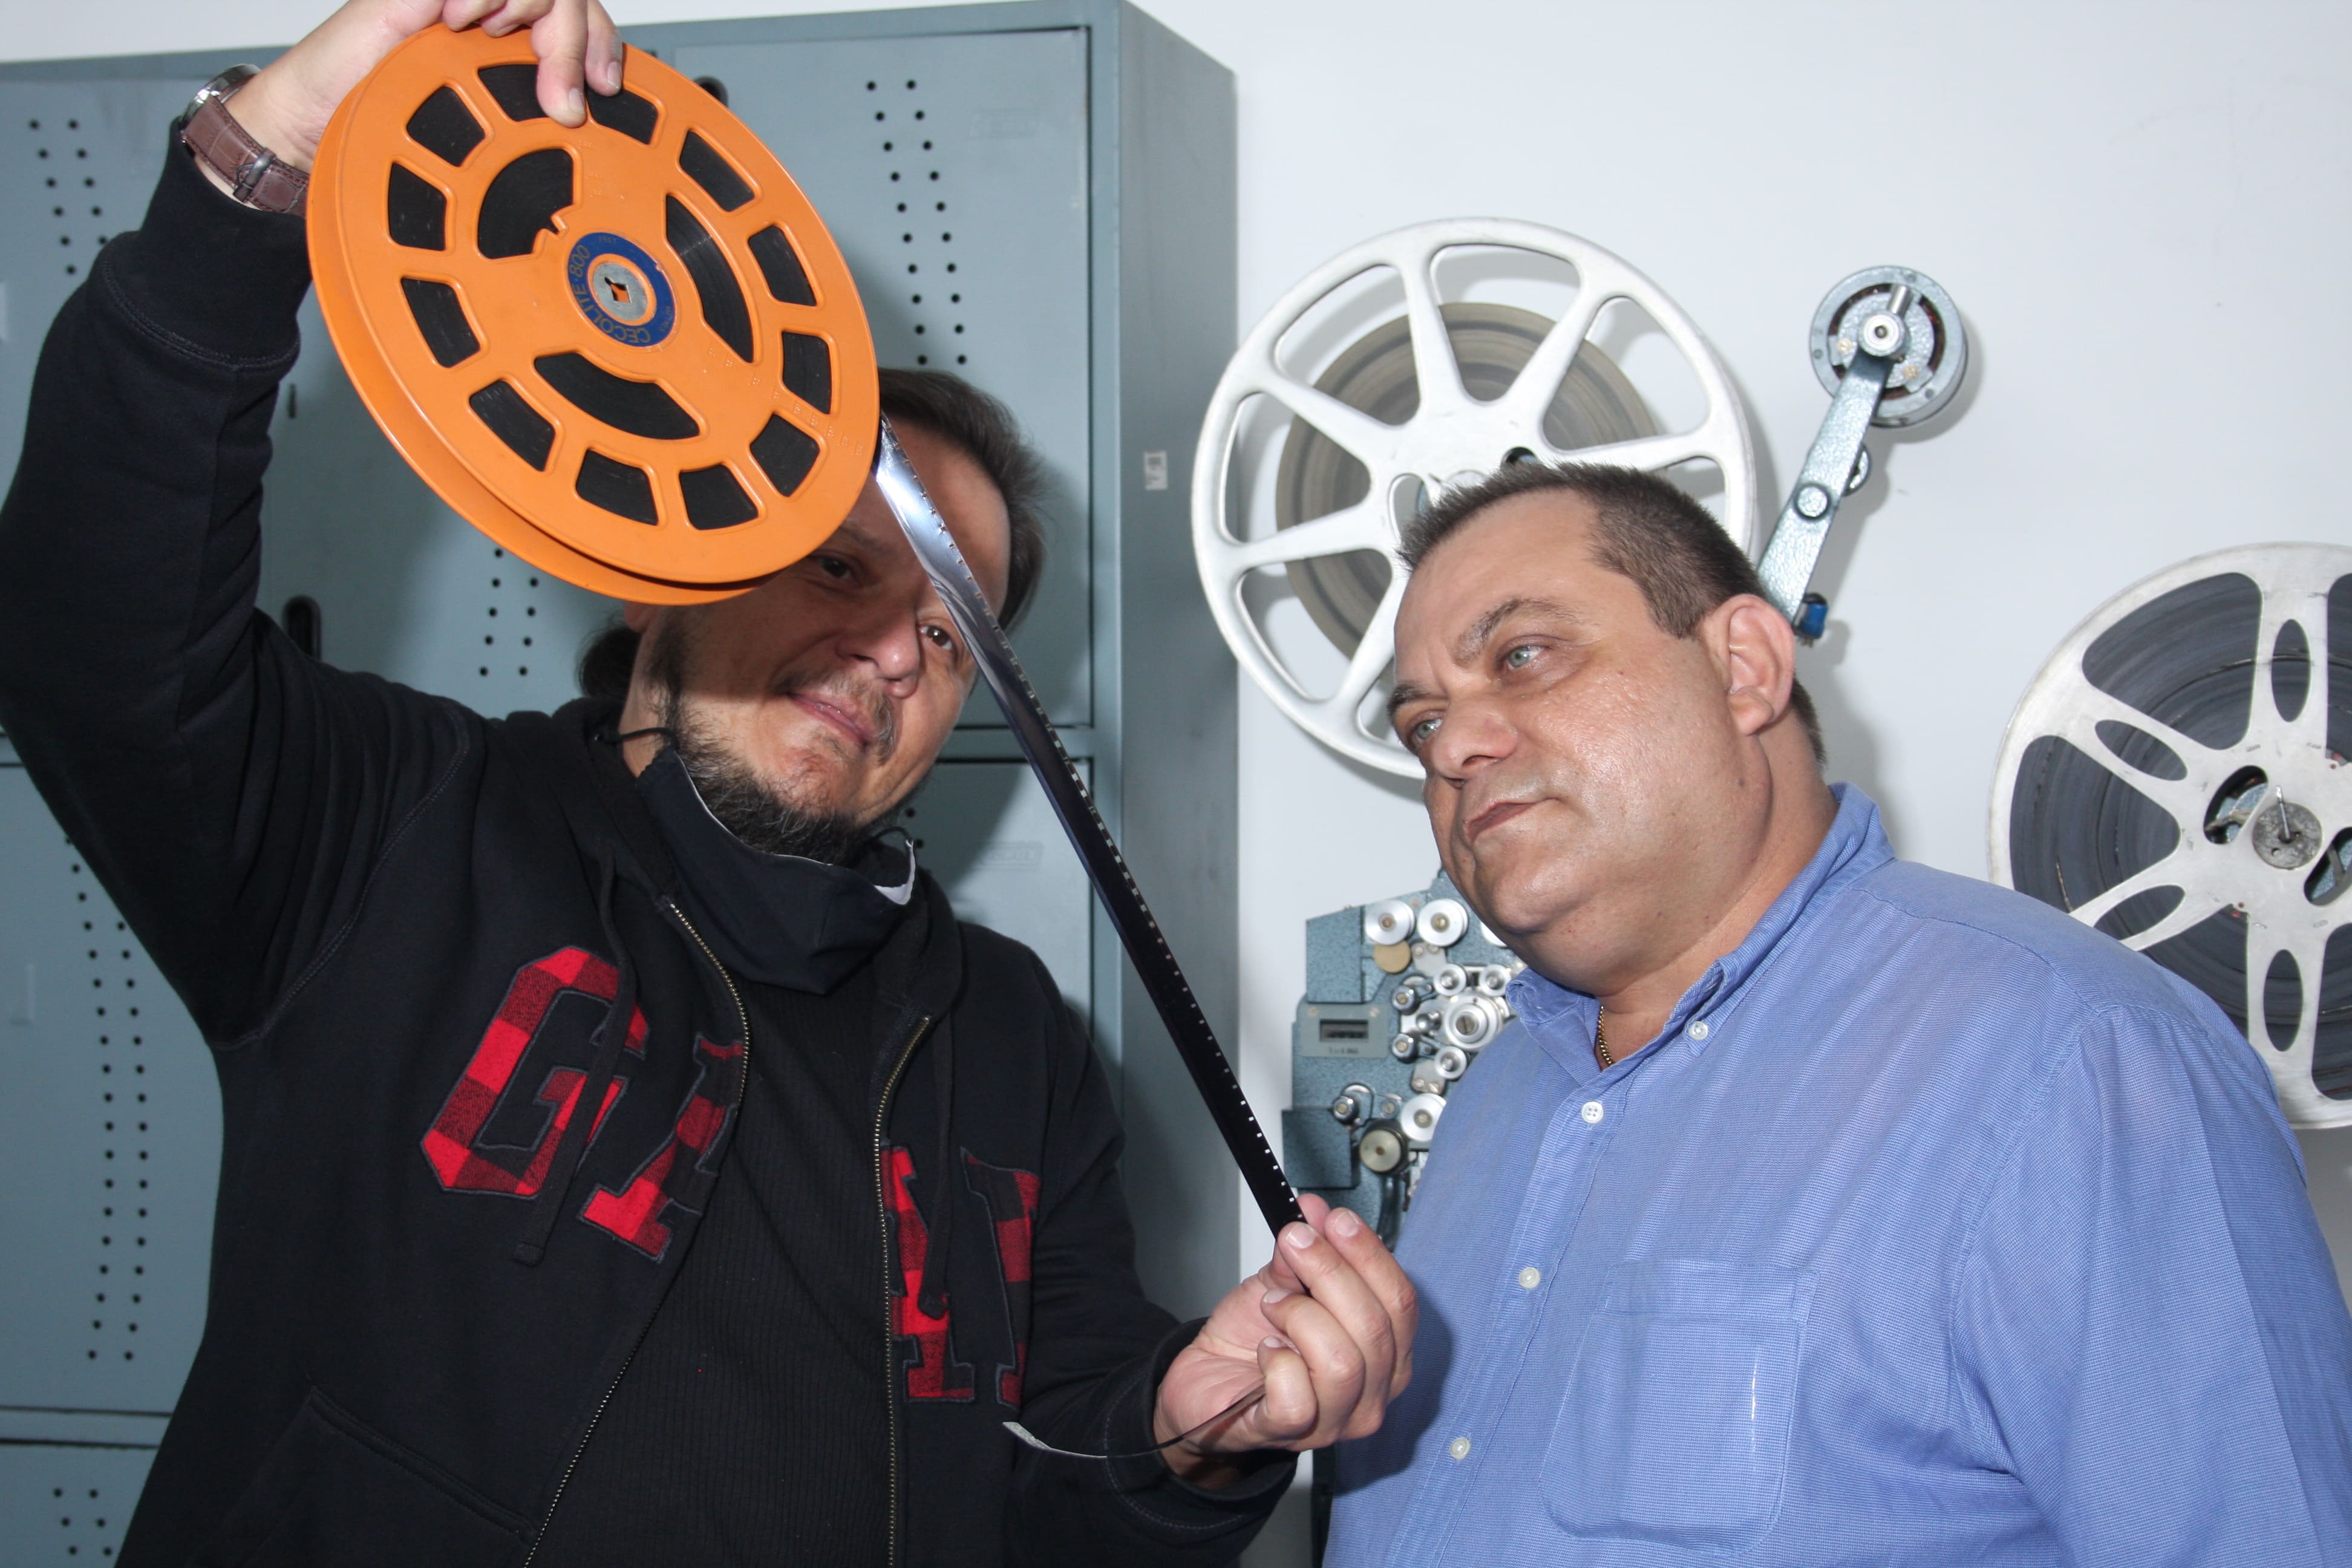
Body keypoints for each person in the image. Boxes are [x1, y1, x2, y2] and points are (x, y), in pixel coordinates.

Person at [0, 1, 1414, 1562]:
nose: (893, 652)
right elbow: (96, 632)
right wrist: (272, 152)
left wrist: (1186, 1438)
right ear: (665, 567)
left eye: (953, 638)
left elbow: (1060, 1489)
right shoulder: (402, 830)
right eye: (838, 567)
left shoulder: (1013, 1041)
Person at [1328, 461, 2352, 1564]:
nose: (1455, 748)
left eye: (1524, 656)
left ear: (1745, 668)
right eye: (1422, 722)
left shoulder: (2081, 1063)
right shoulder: (1499, 1097)